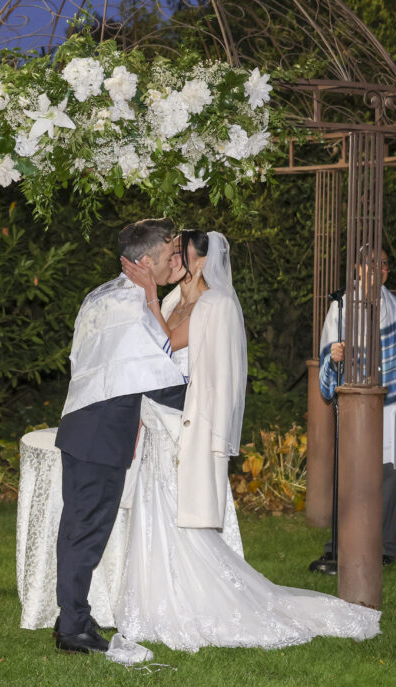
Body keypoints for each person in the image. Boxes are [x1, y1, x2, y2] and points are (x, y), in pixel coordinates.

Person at [116, 230, 380, 652]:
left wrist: (147, 292)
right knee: (155, 512)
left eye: (178, 253)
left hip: (187, 424)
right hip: (158, 422)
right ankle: (154, 600)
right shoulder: (170, 301)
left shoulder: (215, 304)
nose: (171, 261)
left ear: (200, 261)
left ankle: (199, 602)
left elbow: (164, 342)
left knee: (181, 518)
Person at [53, 218, 188, 654]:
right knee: (86, 531)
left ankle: (72, 614)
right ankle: (73, 628)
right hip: (101, 434)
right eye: (170, 256)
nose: (176, 263)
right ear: (146, 262)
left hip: (84, 425)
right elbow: (161, 379)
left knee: (79, 527)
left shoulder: (103, 295)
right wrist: (207, 400)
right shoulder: (133, 309)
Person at [309, 249, 396, 575]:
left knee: (386, 478)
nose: (378, 269)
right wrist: (334, 356)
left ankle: (385, 547)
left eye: (384, 264)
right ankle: (339, 546)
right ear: (358, 268)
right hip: (354, 404)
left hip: (392, 403)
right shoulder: (342, 306)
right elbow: (327, 351)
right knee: (348, 475)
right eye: (371, 263)